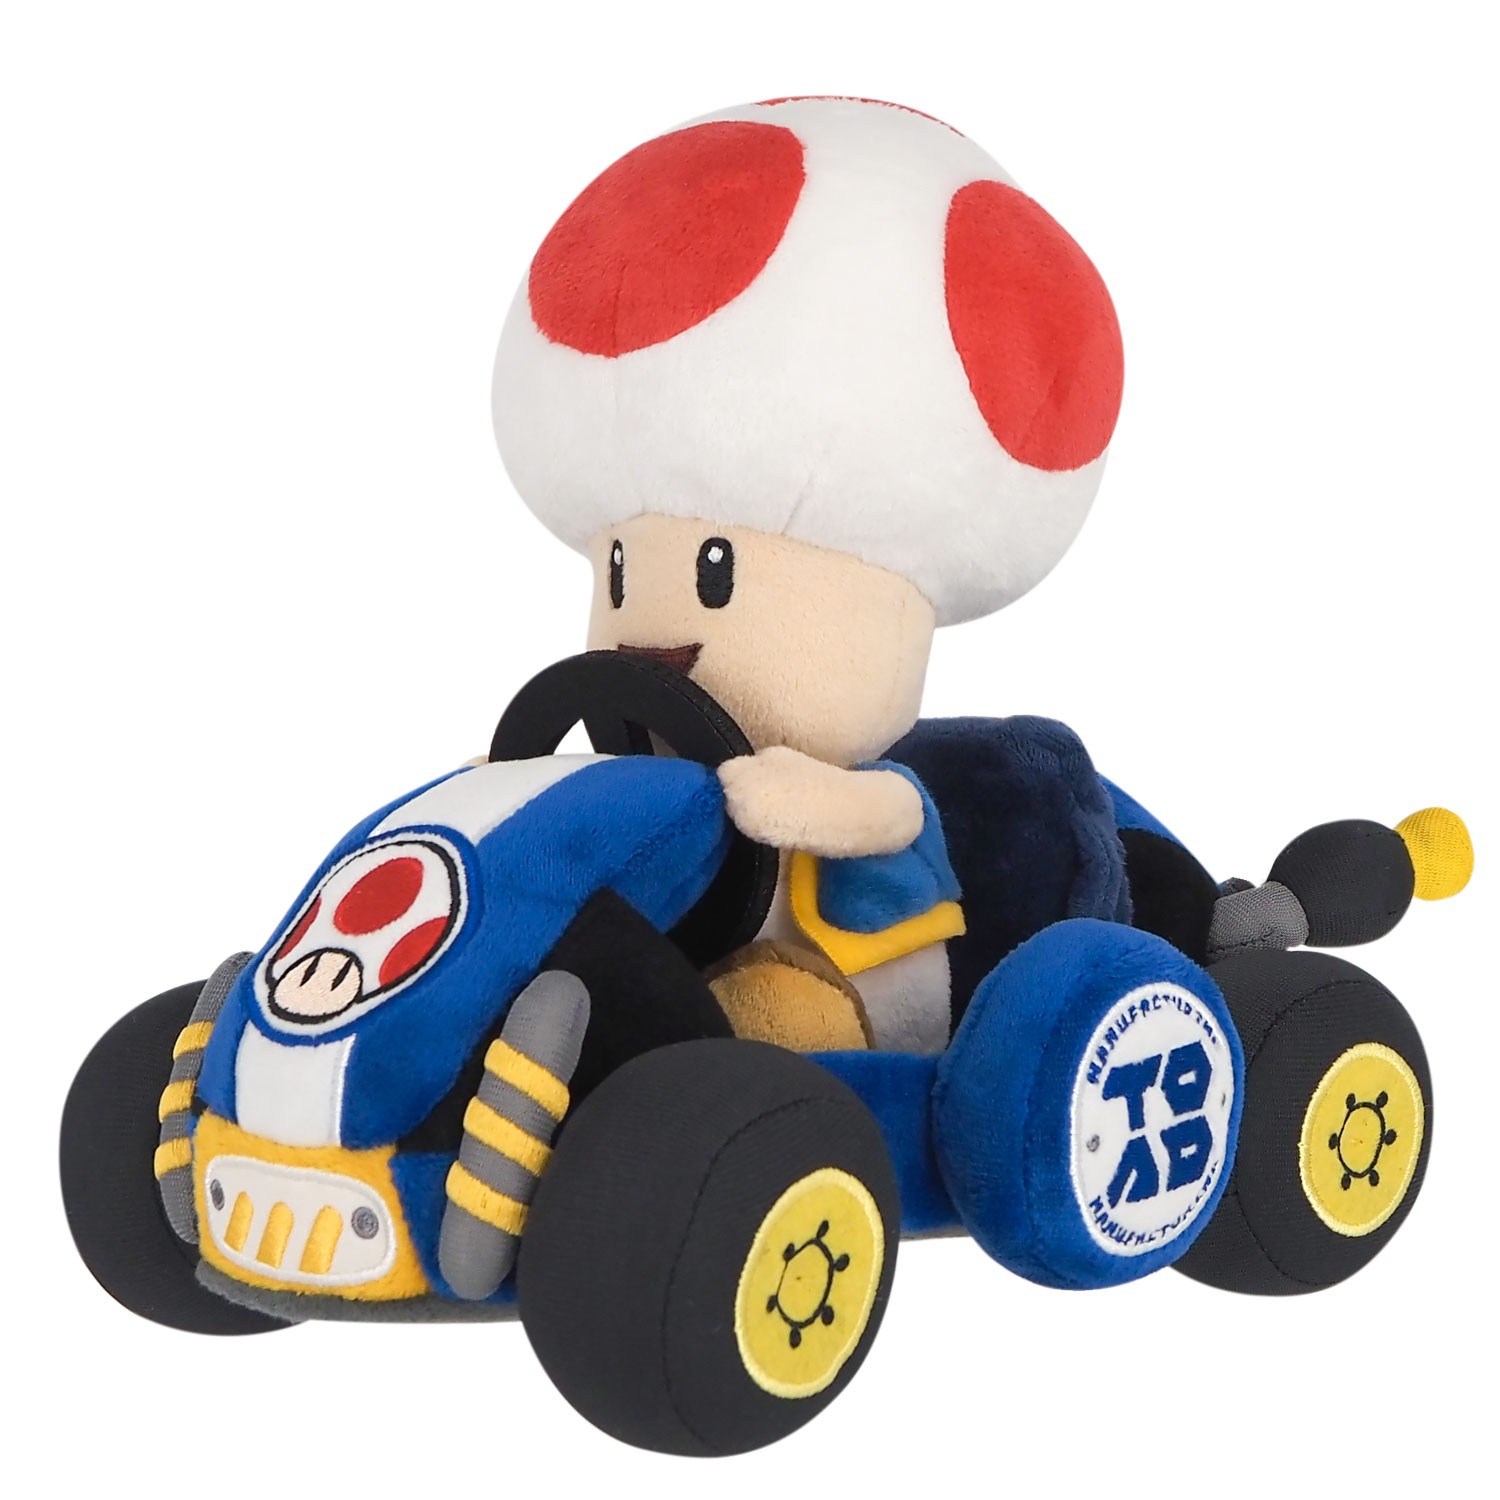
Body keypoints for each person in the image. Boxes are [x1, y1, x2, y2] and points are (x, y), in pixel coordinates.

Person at [492, 96, 1124, 1053]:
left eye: (716, 574)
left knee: (769, 1011)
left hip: (857, 992)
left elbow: (887, 814)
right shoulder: (654, 790)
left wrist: (809, 801)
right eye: (619, 572)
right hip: (696, 977)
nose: (648, 638)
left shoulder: (883, 788)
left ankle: (723, 1104)